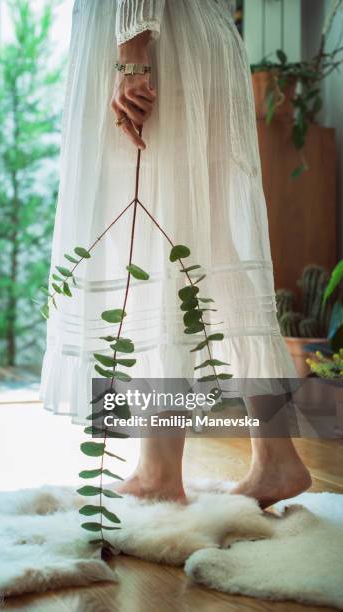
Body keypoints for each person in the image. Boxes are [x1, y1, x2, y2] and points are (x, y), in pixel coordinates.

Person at [40, 0, 311, 508]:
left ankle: (162, 473)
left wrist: (132, 55)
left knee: (159, 239)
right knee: (197, 243)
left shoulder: (137, 49)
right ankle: (271, 457)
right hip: (190, 31)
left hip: (152, 39)